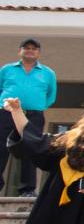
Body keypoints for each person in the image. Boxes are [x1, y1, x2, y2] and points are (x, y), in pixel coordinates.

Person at [0, 38, 57, 196]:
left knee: (31, 149)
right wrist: (3, 104)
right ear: (20, 51)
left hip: (33, 116)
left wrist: (37, 107)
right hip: (6, 113)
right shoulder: (7, 69)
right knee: (1, 148)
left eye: (34, 48)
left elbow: (51, 96)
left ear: (38, 53)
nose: (30, 50)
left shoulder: (47, 73)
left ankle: (28, 189)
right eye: (26, 47)